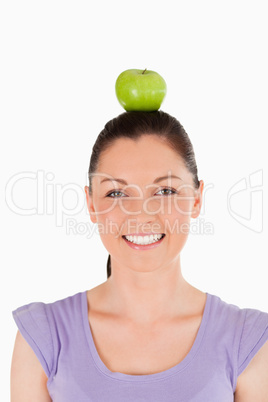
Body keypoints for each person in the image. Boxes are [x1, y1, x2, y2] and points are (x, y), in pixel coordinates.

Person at [11, 111, 268, 401]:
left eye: (165, 190)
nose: (142, 215)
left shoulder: (249, 341)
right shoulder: (43, 338)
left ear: (197, 199)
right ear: (91, 205)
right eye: (117, 194)